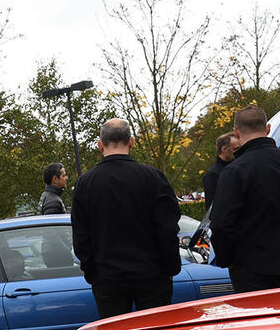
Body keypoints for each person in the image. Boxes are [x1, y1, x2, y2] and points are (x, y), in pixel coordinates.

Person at [71, 119, 181, 318]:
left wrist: (92, 271)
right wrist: (170, 267)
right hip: (152, 275)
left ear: (100, 144)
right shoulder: (153, 178)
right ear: (131, 142)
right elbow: (167, 227)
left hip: (107, 277)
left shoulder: (85, 184)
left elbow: (81, 235)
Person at [210, 106, 280, 293]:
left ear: (236, 133)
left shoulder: (235, 171)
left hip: (248, 268)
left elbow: (221, 223)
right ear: (268, 129)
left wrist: (228, 259)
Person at [203, 132, 238, 211]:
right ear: (224, 149)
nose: (239, 151)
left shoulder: (238, 167)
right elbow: (212, 207)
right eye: (236, 149)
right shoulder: (212, 175)